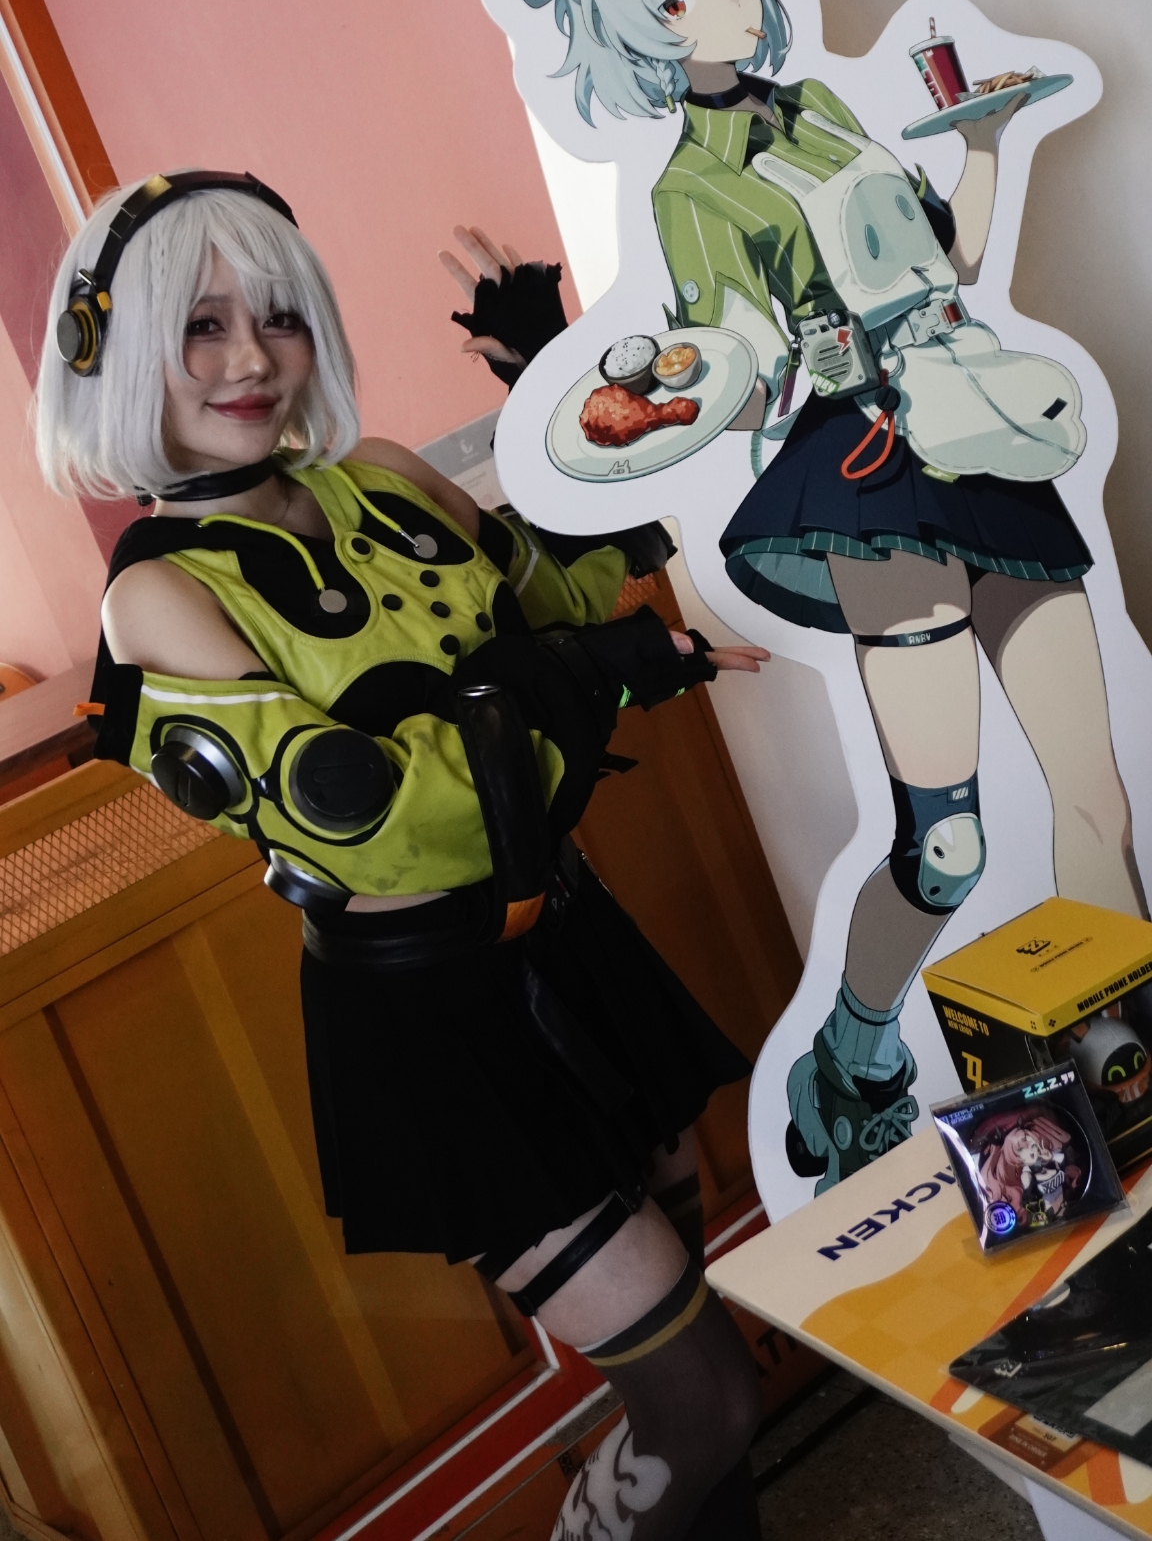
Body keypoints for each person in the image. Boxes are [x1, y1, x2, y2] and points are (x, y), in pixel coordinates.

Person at [35, 168, 771, 1541]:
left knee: (703, 1364)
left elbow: (577, 582)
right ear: (111, 349)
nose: (251, 359)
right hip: (432, 1024)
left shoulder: (380, 477)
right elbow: (392, 822)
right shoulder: (158, 596)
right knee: (701, 1396)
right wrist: (580, 676)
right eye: (199, 326)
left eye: (277, 315)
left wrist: (558, 389)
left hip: (574, 941)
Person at [515, 0, 1144, 1194]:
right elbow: (729, 372)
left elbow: (944, 266)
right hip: (869, 477)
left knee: (1098, 794)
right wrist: (721, 380)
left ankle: (1126, 1078)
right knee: (950, 841)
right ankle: (854, 1056)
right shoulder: (691, 187)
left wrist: (985, 143)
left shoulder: (823, 112)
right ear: (648, 19)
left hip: (977, 433)